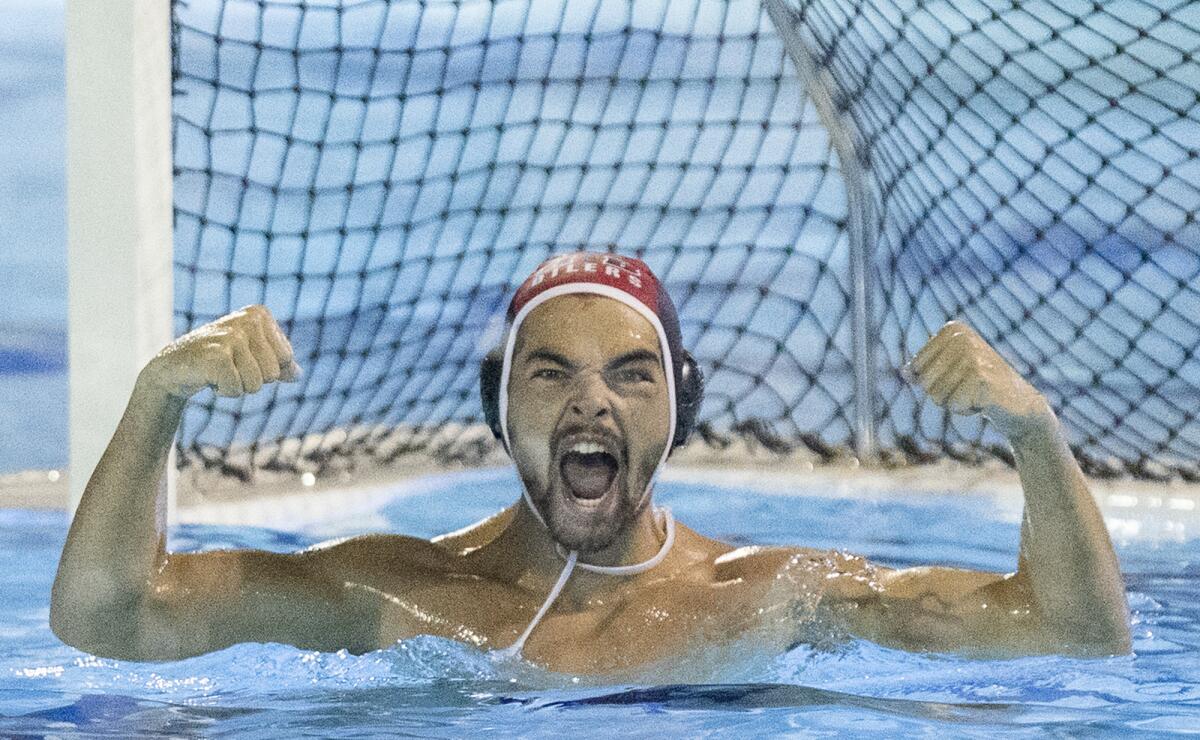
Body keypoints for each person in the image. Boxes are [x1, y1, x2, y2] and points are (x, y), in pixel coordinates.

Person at [50, 252, 1130, 674]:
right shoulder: (397, 589)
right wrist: (159, 397)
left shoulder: (769, 596)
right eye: (552, 371)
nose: (592, 399)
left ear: (680, 407)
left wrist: (1035, 431)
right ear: (500, 409)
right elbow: (108, 614)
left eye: (630, 373)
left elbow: (1076, 631)